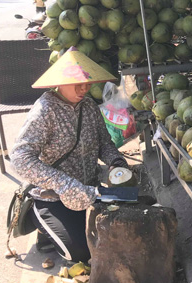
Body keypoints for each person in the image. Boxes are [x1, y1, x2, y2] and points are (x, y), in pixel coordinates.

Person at [10, 48, 129, 263]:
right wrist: (63, 184)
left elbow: (104, 143)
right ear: (60, 82)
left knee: (119, 232)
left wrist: (117, 162)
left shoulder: (90, 107)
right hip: (53, 196)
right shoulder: (45, 111)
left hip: (89, 191)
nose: (84, 89)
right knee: (81, 253)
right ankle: (38, 220)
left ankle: (59, 228)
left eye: (87, 83)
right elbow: (20, 158)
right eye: (78, 84)